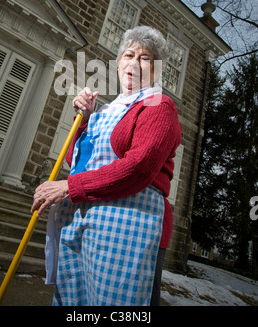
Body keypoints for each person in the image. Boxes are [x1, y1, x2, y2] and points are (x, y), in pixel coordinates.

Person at [31, 25, 182, 306]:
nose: (135, 63)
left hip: (130, 223)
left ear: (156, 70)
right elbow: (76, 161)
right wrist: (84, 121)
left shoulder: (159, 107)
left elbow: (138, 168)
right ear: (118, 63)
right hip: (83, 219)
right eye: (129, 54)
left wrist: (68, 186)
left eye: (146, 58)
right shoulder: (106, 110)